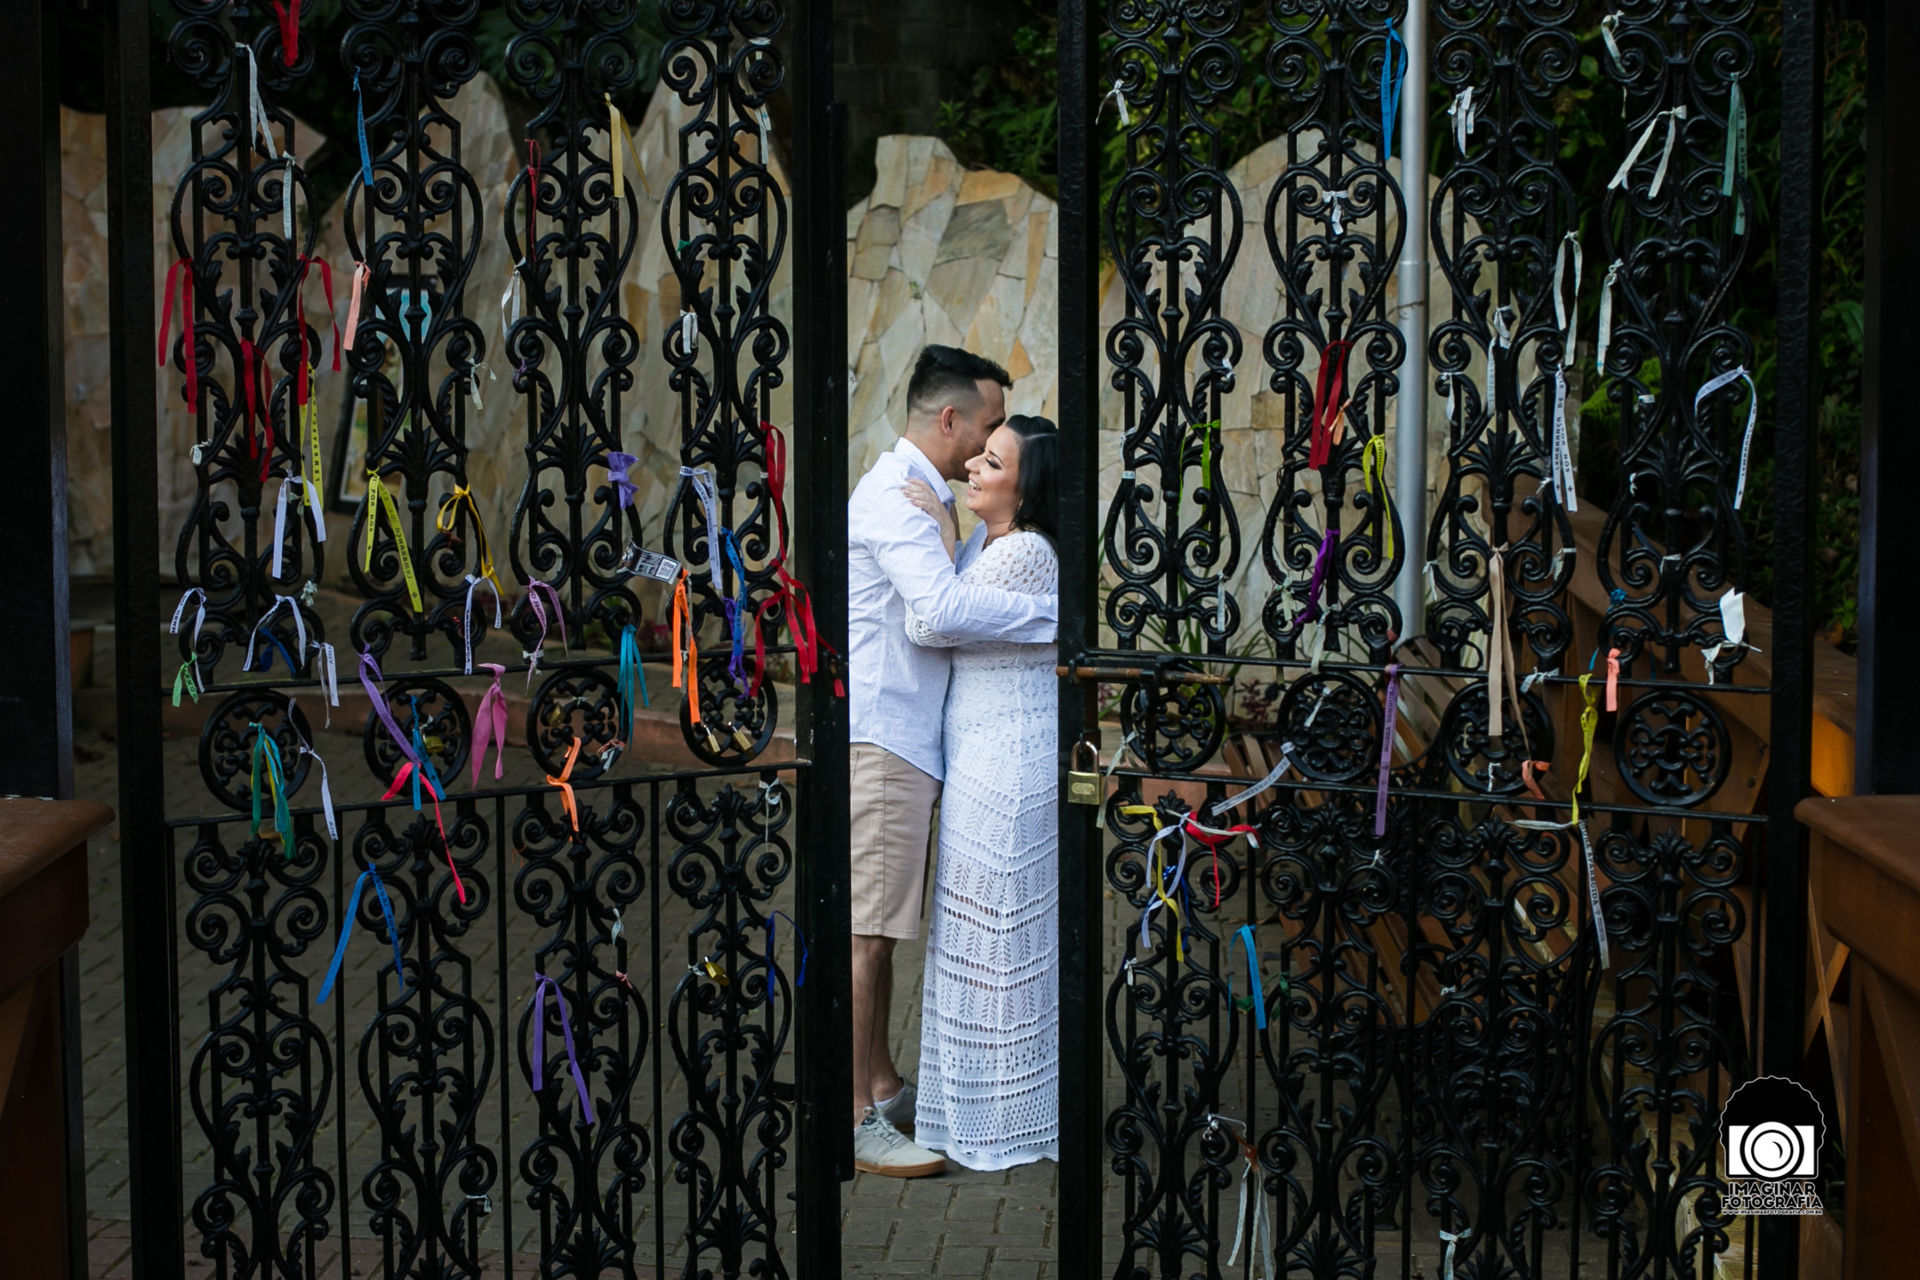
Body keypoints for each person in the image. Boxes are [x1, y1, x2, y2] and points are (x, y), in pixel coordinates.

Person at [845, 346, 1059, 1178]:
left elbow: (962, 592)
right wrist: (1054, 618)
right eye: (989, 426)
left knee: (885, 932)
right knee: (871, 935)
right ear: (950, 419)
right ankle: (856, 1115)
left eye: (998, 447)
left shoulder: (934, 505)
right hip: (889, 740)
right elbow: (936, 612)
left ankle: (883, 1086)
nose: (982, 449)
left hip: (924, 746)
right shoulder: (901, 500)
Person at [901, 415, 1060, 1171]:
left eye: (992, 462)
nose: (972, 465)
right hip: (980, 758)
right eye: (981, 454)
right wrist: (950, 540)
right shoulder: (985, 544)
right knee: (977, 937)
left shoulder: (1026, 552)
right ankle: (980, 1107)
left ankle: (1009, 1117)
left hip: (1010, 764)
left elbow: (931, 623)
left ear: (1025, 490)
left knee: (998, 939)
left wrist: (935, 535)